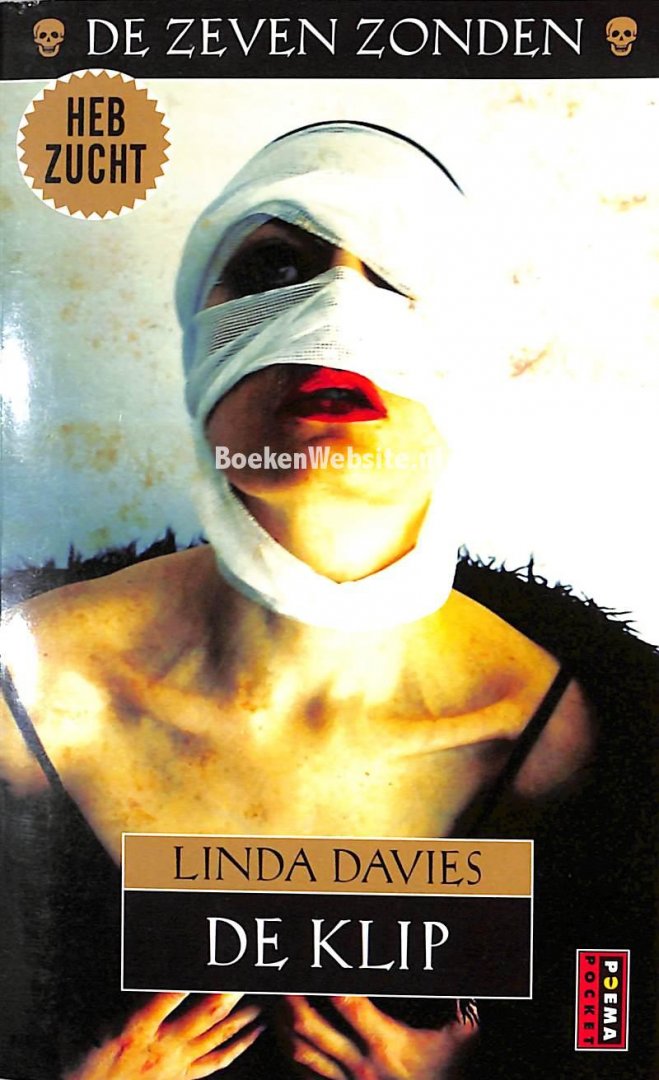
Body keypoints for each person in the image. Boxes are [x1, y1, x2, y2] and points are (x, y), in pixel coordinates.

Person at [0, 121, 655, 1080]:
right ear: (199, 343)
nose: (338, 311)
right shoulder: (24, 697)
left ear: (480, 357)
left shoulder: (573, 745)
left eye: (406, 274)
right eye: (274, 269)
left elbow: (616, 1021)